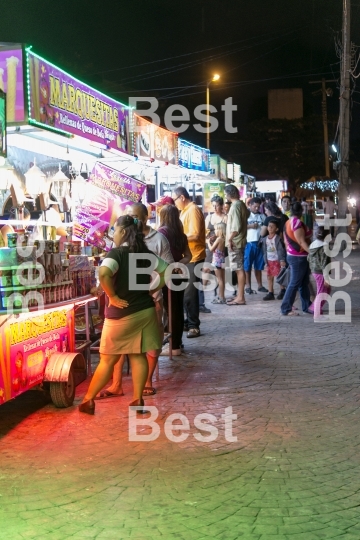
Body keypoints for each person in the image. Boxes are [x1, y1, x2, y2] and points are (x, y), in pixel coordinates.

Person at [78, 215, 168, 415]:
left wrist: (114, 296)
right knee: (137, 354)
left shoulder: (116, 254)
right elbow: (167, 272)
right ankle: (137, 399)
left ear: (124, 232)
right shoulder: (144, 252)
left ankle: (88, 400)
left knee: (107, 359)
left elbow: (103, 274)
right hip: (145, 311)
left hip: (121, 314)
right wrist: (152, 289)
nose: (113, 235)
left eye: (115, 230)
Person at [99, 203, 174, 399]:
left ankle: (146, 382)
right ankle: (117, 385)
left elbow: (168, 268)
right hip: (124, 302)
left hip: (147, 300)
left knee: (149, 343)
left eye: (135, 216)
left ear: (144, 218)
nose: (131, 219)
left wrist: (153, 291)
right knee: (120, 346)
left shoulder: (158, 239)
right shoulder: (122, 241)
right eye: (129, 215)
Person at [157, 204, 192, 356]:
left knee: (170, 310)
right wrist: (178, 264)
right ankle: (177, 342)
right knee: (177, 309)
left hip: (168, 275)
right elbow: (189, 256)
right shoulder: (181, 235)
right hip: (181, 274)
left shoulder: (161, 233)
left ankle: (174, 346)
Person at [173, 186, 206, 338]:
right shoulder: (186, 211)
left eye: (175, 200)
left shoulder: (192, 210)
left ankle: (194, 326)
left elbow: (195, 234)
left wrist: (179, 238)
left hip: (194, 256)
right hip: (188, 257)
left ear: (182, 197)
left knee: (190, 293)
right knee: (186, 292)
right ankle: (189, 321)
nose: (175, 203)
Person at [280, 202, 312, 316]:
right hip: (298, 257)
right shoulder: (296, 223)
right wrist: (312, 253)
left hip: (293, 255)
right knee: (295, 283)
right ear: (301, 211)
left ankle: (307, 305)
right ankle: (286, 308)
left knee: (303, 282)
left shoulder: (288, 222)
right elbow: (301, 241)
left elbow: (286, 241)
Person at [224, 184, 248, 306]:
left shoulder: (235, 206)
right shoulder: (241, 204)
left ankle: (240, 297)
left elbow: (236, 227)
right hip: (239, 241)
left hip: (236, 242)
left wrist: (230, 239)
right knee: (239, 269)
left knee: (239, 269)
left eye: (225, 193)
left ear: (229, 194)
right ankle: (239, 296)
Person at [244, 197, 268, 294]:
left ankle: (260, 285)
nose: (257, 209)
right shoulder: (246, 216)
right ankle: (248, 286)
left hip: (260, 244)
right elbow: (239, 227)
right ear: (250, 205)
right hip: (249, 243)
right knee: (247, 266)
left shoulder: (262, 216)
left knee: (259, 266)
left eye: (258, 207)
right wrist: (250, 226)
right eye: (255, 207)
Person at [307, 226, 331, 319]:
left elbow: (308, 257)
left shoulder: (313, 244)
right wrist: (326, 278)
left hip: (314, 270)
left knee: (326, 290)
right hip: (321, 272)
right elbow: (325, 263)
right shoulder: (325, 247)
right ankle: (316, 313)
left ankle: (314, 307)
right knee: (321, 292)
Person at [262, 219, 287, 301]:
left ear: (276, 229)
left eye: (272, 227)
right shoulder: (265, 239)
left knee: (279, 276)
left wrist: (282, 260)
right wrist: (265, 261)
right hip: (269, 261)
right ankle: (270, 292)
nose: (270, 228)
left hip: (277, 260)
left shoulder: (277, 239)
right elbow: (264, 251)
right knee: (269, 277)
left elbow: (280, 250)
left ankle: (282, 290)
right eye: (269, 226)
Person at [207, 222, 226, 304]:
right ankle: (221, 296)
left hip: (217, 261)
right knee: (222, 279)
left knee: (219, 280)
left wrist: (208, 242)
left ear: (220, 230)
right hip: (222, 260)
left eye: (216, 229)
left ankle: (221, 298)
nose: (215, 231)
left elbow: (211, 249)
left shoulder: (218, 239)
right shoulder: (223, 239)